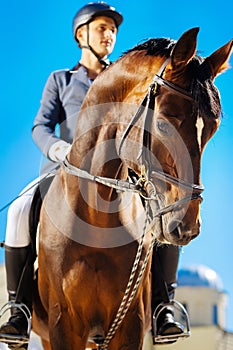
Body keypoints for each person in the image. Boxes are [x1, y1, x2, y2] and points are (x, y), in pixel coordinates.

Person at [0, 2, 184, 346]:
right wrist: (58, 149)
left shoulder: (125, 81)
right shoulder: (61, 80)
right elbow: (41, 125)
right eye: (102, 28)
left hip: (117, 176)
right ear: (81, 34)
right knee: (19, 210)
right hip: (64, 170)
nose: (109, 35)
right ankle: (18, 308)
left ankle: (163, 306)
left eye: (113, 30)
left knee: (159, 212)